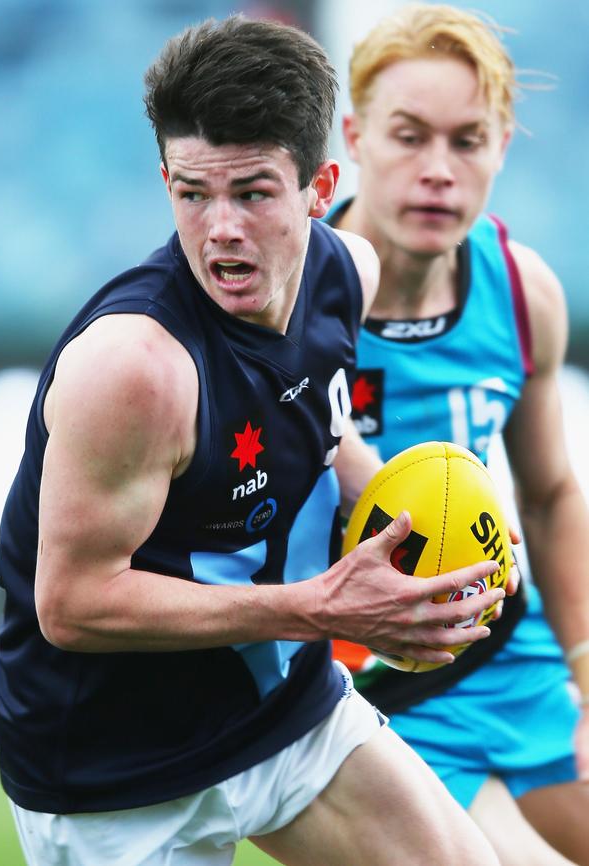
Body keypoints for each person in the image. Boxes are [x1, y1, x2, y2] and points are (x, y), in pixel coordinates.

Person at [0, 15, 507, 866]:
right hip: (114, 772)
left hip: (283, 706)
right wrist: (323, 608)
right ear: (165, 180)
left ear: (319, 184)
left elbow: (319, 425)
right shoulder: (135, 368)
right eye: (193, 192)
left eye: (254, 193)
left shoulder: (350, 274)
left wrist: (426, 553)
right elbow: (72, 603)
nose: (221, 227)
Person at [327, 5, 589, 865]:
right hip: (367, 684)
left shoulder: (522, 292)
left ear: (502, 147)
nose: (438, 170)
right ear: (356, 137)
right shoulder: (289, 300)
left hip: (514, 650)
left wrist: (587, 672)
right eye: (410, 137)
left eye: (467, 141)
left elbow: (549, 496)